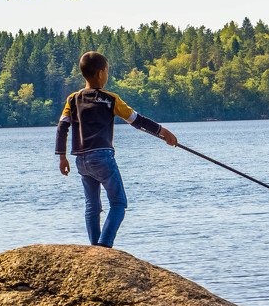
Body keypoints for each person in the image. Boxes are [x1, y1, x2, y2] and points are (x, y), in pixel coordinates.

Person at [55, 51, 178, 248]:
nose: (107, 75)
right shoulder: (110, 99)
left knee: (92, 206)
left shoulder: (73, 99)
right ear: (101, 73)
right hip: (102, 157)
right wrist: (163, 132)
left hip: (81, 159)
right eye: (107, 71)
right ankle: (104, 246)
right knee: (119, 203)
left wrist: (62, 157)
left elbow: (62, 127)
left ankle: (95, 248)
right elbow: (136, 121)